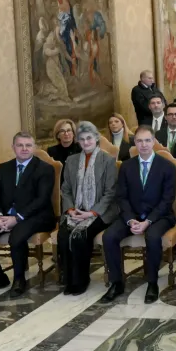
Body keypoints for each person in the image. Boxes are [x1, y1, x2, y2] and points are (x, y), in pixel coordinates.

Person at [0, 132, 56, 297]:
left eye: (28, 145)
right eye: (20, 145)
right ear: (13, 147)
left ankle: (19, 279)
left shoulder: (45, 169)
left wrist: (16, 219)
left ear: (34, 147)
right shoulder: (3, 168)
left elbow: (41, 200)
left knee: (16, 237)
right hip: (4, 216)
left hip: (37, 216)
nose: (24, 149)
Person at [100, 126, 176, 304]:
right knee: (109, 236)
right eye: (140, 141)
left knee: (152, 236)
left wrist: (148, 221)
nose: (143, 145)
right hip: (131, 215)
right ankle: (117, 282)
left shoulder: (167, 167)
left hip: (160, 216)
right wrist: (130, 219)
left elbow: (167, 200)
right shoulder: (126, 166)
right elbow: (122, 197)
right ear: (135, 143)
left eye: (147, 140)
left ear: (154, 142)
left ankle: (152, 283)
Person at [57, 121, 118, 295]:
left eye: (89, 138)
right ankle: (69, 280)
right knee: (63, 235)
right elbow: (66, 189)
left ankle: (81, 281)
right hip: (76, 210)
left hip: (100, 211)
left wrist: (91, 212)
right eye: (82, 139)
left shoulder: (107, 160)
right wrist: (70, 210)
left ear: (96, 138)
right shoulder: (72, 160)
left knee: (79, 236)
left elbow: (110, 192)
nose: (86, 142)